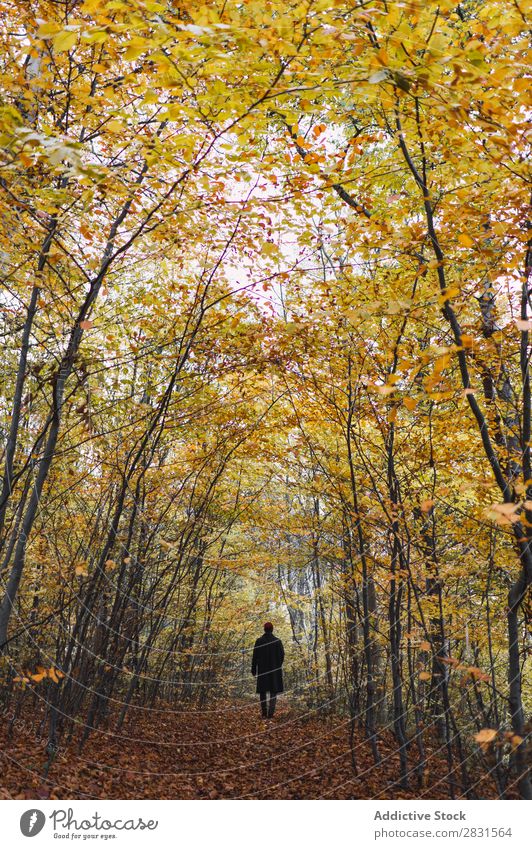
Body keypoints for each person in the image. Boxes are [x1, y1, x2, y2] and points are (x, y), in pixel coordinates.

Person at [251, 622, 284, 719]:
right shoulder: (277, 641)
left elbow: (255, 657)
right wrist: (278, 666)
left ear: (264, 629)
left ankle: (264, 712)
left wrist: (254, 669)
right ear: (272, 629)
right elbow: (282, 656)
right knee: (273, 691)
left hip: (263, 670)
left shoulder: (259, 641)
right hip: (274, 670)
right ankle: (271, 713)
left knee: (262, 691)